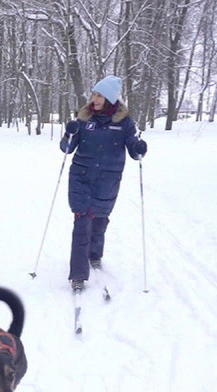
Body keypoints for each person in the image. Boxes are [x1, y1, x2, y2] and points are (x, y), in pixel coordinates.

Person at [59, 75, 147, 291]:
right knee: (82, 221)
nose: (94, 99)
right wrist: (69, 134)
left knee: (99, 220)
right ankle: (78, 275)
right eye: (94, 94)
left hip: (108, 179)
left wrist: (138, 148)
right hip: (81, 176)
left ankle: (95, 254)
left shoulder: (125, 122)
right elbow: (67, 149)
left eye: (99, 95)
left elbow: (133, 149)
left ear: (109, 98)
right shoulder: (84, 118)